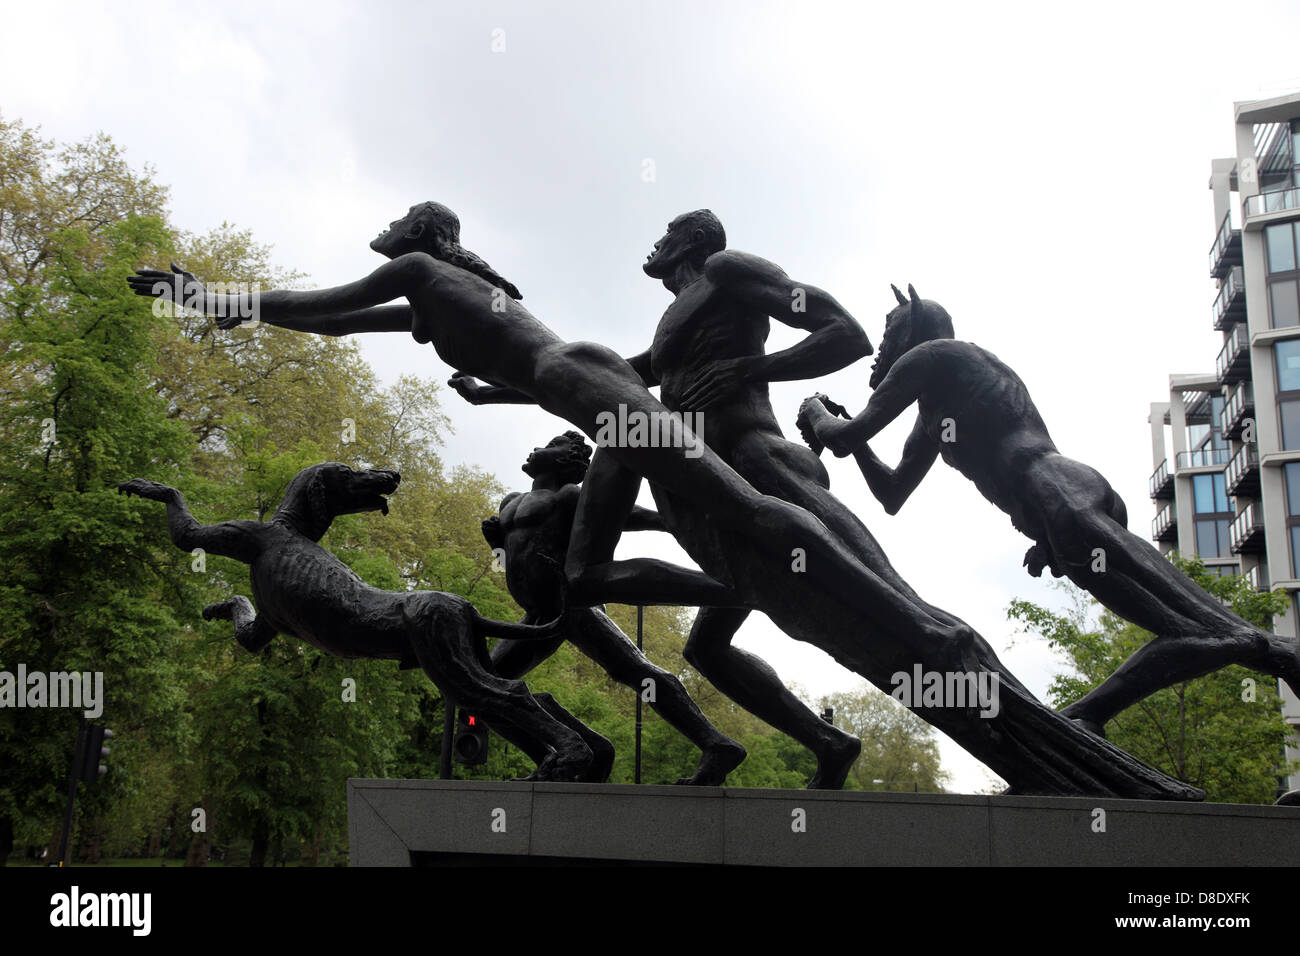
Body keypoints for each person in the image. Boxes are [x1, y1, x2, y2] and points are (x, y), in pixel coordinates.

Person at [796, 284, 1300, 732]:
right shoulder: (934, 412)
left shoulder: (936, 355)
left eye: (891, 331)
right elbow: (892, 494)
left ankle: (1091, 713)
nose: (884, 349)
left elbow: (844, 435)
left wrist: (816, 413)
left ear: (915, 324)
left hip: (1062, 496)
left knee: (1210, 628)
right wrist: (853, 441)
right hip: (1061, 511)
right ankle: (1096, 713)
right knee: (1193, 632)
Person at [482, 431, 747, 785]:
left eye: (551, 444)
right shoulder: (509, 502)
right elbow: (506, 564)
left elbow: (619, 514)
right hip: (538, 615)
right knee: (484, 686)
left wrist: (669, 523)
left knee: (638, 672)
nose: (537, 447)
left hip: (572, 606)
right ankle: (572, 752)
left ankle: (717, 744)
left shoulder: (569, 495)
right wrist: (496, 545)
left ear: (566, 460)